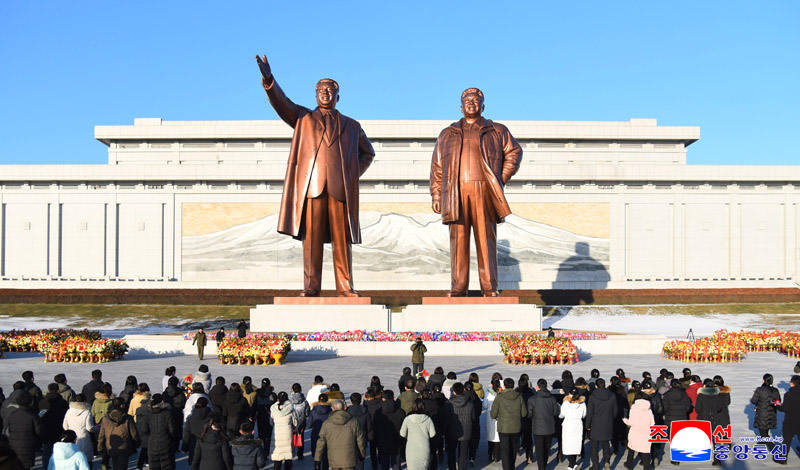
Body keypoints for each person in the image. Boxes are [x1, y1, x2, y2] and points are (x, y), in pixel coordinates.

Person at [256, 53, 376, 297]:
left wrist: (351, 175)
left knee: (342, 241)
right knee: (311, 241)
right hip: (312, 188)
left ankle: (345, 287)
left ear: (338, 96)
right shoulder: (303, 118)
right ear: (315, 94)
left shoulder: (352, 126)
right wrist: (269, 80)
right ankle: (311, 286)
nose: (325, 93)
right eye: (321, 89)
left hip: (340, 190)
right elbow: (282, 103)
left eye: (330, 90)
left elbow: (368, 154)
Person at [430, 87, 522, 297]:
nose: (471, 103)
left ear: (483, 105)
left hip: (484, 190)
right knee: (458, 241)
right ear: (461, 106)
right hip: (455, 191)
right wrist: (436, 195)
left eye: (475, 100)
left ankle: (489, 286)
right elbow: (437, 167)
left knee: (485, 239)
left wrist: (501, 178)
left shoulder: (497, 130)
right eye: (467, 100)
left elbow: (514, 152)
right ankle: (458, 286)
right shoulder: (447, 133)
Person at [314, 400, 367, 470]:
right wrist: (362, 455)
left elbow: (321, 442)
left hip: (334, 458)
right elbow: (360, 440)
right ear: (345, 408)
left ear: (333, 409)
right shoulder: (353, 422)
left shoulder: (327, 423)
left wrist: (317, 459)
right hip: (349, 458)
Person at [491, 378, 526, 470]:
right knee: (514, 448)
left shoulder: (499, 397)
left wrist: (497, 417)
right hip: (516, 427)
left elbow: (493, 413)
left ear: (504, 386)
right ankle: (512, 466)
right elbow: (524, 413)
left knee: (505, 450)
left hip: (503, 427)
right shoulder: (519, 397)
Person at [98, 397, 140, 470]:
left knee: (115, 465)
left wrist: (100, 447)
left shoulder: (106, 418)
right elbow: (134, 433)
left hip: (111, 446)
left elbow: (101, 435)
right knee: (122, 466)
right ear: (121, 405)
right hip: (124, 446)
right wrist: (136, 443)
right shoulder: (128, 418)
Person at [584, 378, 617, 470]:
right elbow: (615, 410)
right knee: (606, 444)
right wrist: (610, 418)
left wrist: (588, 425)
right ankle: (607, 461)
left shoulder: (592, 396)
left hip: (595, 424)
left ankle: (596, 466)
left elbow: (589, 412)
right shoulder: (612, 396)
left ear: (596, 386)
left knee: (594, 447)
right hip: (607, 423)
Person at [528, 378, 560, 470]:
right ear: (546, 387)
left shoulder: (532, 399)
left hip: (537, 427)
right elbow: (555, 413)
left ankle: (541, 467)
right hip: (549, 427)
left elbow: (529, 414)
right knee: (547, 447)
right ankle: (544, 464)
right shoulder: (552, 399)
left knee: (539, 448)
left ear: (537, 387)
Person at [5, 392, 42, 470]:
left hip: (14, 443)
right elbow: (39, 431)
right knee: (26, 466)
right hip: (28, 444)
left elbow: (7, 430)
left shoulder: (12, 414)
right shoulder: (33, 415)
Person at [141, 394, 176, 470]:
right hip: (166, 443)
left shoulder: (149, 414)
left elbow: (144, 430)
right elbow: (172, 430)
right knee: (167, 465)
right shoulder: (168, 413)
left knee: (154, 466)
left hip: (152, 444)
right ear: (162, 402)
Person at [661, 379, 692, 466]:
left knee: (672, 438)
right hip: (682, 418)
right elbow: (688, 408)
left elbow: (665, 408)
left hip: (670, 419)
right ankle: (680, 454)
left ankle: (675, 457)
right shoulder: (684, 394)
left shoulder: (667, 395)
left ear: (671, 386)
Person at [40, 383, 70, 470]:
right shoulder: (63, 403)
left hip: (46, 430)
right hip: (59, 430)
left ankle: (46, 467)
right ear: (58, 391)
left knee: (47, 451)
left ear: (48, 391)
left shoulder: (42, 402)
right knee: (60, 451)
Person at [750, 373, 781, 457]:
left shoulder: (760, 390)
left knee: (764, 434)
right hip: (772, 414)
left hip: (762, 414)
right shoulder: (775, 390)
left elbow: (753, 401)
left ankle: (775, 450)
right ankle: (762, 443)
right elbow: (779, 401)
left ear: (764, 380)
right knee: (765, 430)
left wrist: (757, 395)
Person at [400, 399, 436, 470]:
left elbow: (402, 434)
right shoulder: (428, 419)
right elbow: (433, 434)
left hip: (411, 449)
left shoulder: (407, 419)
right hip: (424, 447)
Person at [445, 383, 474, 470]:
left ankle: (452, 468)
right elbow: (473, 417)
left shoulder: (448, 403)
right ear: (463, 390)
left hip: (451, 431)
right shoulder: (469, 402)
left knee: (451, 452)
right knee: (463, 453)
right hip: (465, 430)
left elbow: (446, 418)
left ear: (453, 392)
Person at [623, 393, 655, 470]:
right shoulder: (649, 409)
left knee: (632, 448)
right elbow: (652, 423)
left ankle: (629, 464)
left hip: (635, 431)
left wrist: (625, 420)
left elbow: (631, 422)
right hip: (646, 432)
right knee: (645, 450)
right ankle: (646, 467)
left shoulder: (634, 408)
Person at [374, 390, 405, 470]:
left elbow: (375, 428)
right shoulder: (401, 412)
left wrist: (376, 441)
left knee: (384, 463)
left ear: (383, 399)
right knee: (396, 463)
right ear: (393, 398)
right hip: (396, 440)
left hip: (382, 441)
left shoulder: (378, 412)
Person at [62, 393, 94, 465]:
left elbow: (65, 426)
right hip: (84, 437)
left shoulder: (69, 411)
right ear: (85, 401)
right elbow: (89, 428)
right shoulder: (87, 411)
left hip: (72, 437)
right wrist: (98, 428)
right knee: (85, 460)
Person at [560, 387, 587, 470]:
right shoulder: (582, 404)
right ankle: (571, 465)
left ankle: (572, 463)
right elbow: (584, 415)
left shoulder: (565, 404)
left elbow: (561, 415)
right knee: (576, 444)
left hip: (568, 424)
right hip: (578, 424)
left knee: (568, 445)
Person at [271, 391, 298, 470]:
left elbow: (271, 422)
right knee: (288, 455)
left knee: (278, 455)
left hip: (277, 433)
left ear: (278, 399)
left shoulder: (273, 409)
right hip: (287, 432)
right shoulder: (291, 409)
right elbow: (295, 422)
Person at [183, 397, 212, 467]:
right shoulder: (211, 418)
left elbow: (187, 434)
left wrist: (185, 447)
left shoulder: (190, 418)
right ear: (207, 405)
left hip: (194, 445)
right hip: (208, 446)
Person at [777, 375, 800, 465]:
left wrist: (778, 405)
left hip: (790, 421)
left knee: (786, 440)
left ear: (792, 383)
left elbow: (785, 408)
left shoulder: (788, 395)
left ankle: (783, 458)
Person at [347, 393, 372, 470]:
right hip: (362, 437)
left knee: (349, 458)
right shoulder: (365, 411)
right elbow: (369, 426)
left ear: (351, 402)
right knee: (360, 459)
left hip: (349, 437)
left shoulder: (347, 411)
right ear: (360, 401)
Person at [310, 394, 332, 470]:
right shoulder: (330, 411)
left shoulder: (313, 410)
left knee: (317, 455)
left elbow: (309, 425)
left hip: (316, 435)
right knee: (326, 456)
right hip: (327, 436)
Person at [289, 383, 311, 460]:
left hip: (291, 421)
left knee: (290, 437)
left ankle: (290, 454)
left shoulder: (289, 400)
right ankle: (300, 454)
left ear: (292, 390)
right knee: (300, 436)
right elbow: (307, 413)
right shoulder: (304, 401)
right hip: (301, 421)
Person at [515, 377, 534, 463]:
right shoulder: (531, 393)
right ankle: (529, 457)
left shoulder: (516, 393)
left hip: (518, 418)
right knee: (528, 437)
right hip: (528, 418)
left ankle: (517, 451)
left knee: (516, 436)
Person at [254, 379, 276, 452]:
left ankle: (260, 450)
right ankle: (266, 450)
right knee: (268, 434)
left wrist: (252, 415)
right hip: (269, 415)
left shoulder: (257, 394)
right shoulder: (273, 395)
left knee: (261, 434)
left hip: (260, 415)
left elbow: (254, 406)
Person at [482, 380, 501, 462]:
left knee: (491, 437)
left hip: (490, 417)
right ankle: (496, 456)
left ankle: (490, 454)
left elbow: (485, 405)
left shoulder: (488, 393)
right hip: (499, 417)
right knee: (497, 437)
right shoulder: (501, 394)